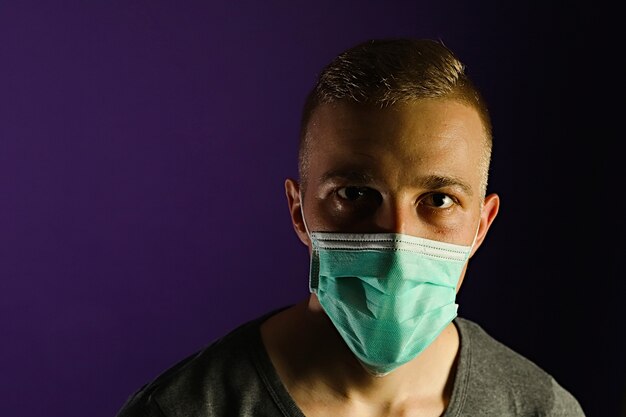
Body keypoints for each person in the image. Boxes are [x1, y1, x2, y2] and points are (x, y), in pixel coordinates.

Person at [116, 38, 585, 417]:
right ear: (300, 212)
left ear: (480, 227)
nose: (398, 242)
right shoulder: (181, 409)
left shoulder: (541, 408)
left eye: (439, 200)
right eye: (356, 195)